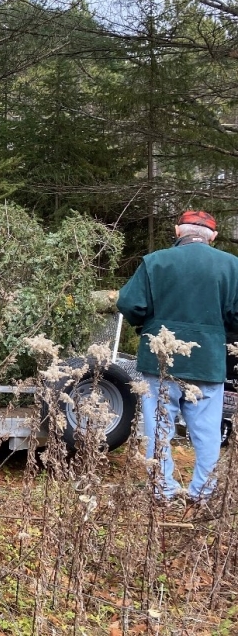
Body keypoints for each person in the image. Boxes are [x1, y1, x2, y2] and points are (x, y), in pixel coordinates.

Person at [117, 210, 238, 506]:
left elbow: (128, 303)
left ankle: (162, 492)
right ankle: (203, 494)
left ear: (177, 231)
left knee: (158, 429)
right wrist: (221, 333)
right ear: (214, 236)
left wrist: (147, 324)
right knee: (207, 433)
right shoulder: (232, 266)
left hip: (159, 360)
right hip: (207, 361)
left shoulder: (155, 261)